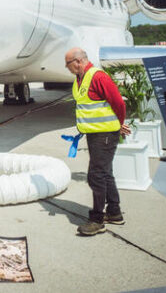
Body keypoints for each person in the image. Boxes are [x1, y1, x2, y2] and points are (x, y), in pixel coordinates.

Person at [65, 47, 131, 236]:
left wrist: (119, 124)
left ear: (77, 61)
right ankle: (114, 213)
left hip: (105, 135)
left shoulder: (98, 76)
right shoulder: (80, 79)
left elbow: (118, 102)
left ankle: (97, 220)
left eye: (68, 63)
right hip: (95, 134)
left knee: (96, 175)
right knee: (105, 173)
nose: (66, 67)